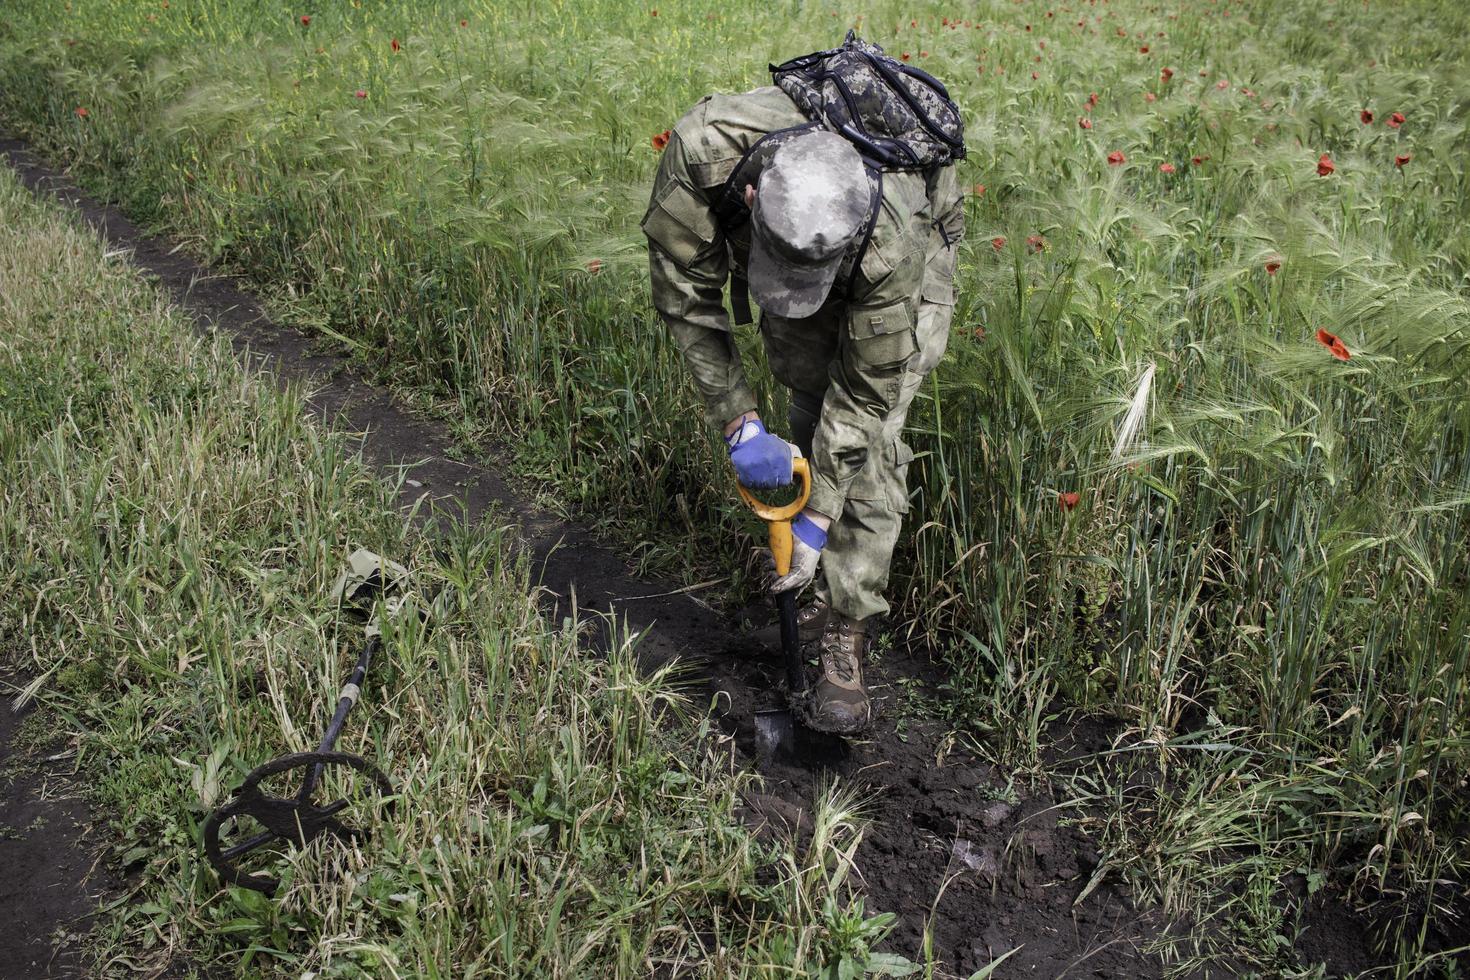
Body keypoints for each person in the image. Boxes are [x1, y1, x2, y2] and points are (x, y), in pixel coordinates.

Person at [642, 41, 964, 734]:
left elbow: (867, 397)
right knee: (807, 396)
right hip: (781, 222)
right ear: (752, 199)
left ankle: (846, 627)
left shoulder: (891, 240)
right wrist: (740, 423)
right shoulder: (703, 157)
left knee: (869, 447)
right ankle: (812, 593)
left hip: (906, 259)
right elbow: (686, 299)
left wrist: (814, 520)